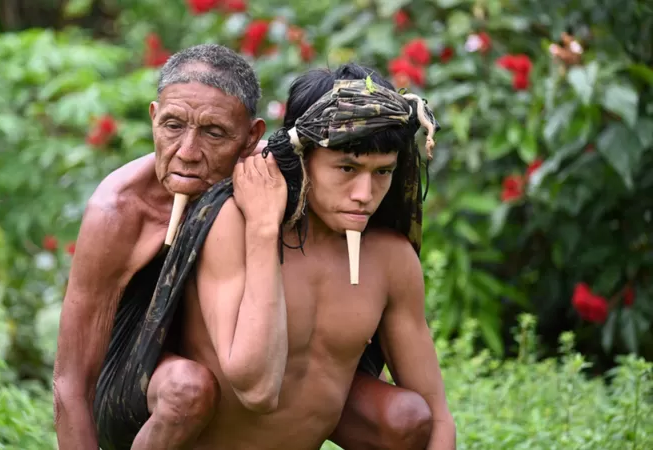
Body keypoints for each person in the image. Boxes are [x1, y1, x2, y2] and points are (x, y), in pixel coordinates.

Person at [52, 42, 434, 450]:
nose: (187, 153)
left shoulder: (270, 180)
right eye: (172, 125)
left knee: (389, 410)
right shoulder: (121, 210)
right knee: (187, 389)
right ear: (153, 118)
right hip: (152, 390)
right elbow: (71, 382)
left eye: (214, 132)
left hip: (249, 389)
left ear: (252, 138)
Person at [175, 65, 456, 449]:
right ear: (300, 158)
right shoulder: (232, 224)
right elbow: (256, 389)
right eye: (347, 168)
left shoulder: (391, 259)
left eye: (383, 172)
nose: (364, 193)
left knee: (409, 415)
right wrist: (262, 229)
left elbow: (437, 414)